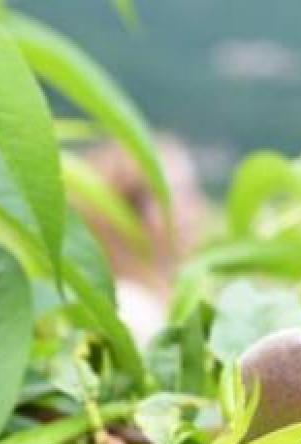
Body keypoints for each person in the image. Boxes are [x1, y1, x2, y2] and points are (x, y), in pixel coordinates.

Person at [81, 137, 209, 345]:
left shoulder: (169, 296)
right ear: (129, 211)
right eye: (171, 195)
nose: (192, 208)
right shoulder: (131, 309)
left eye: (189, 191)